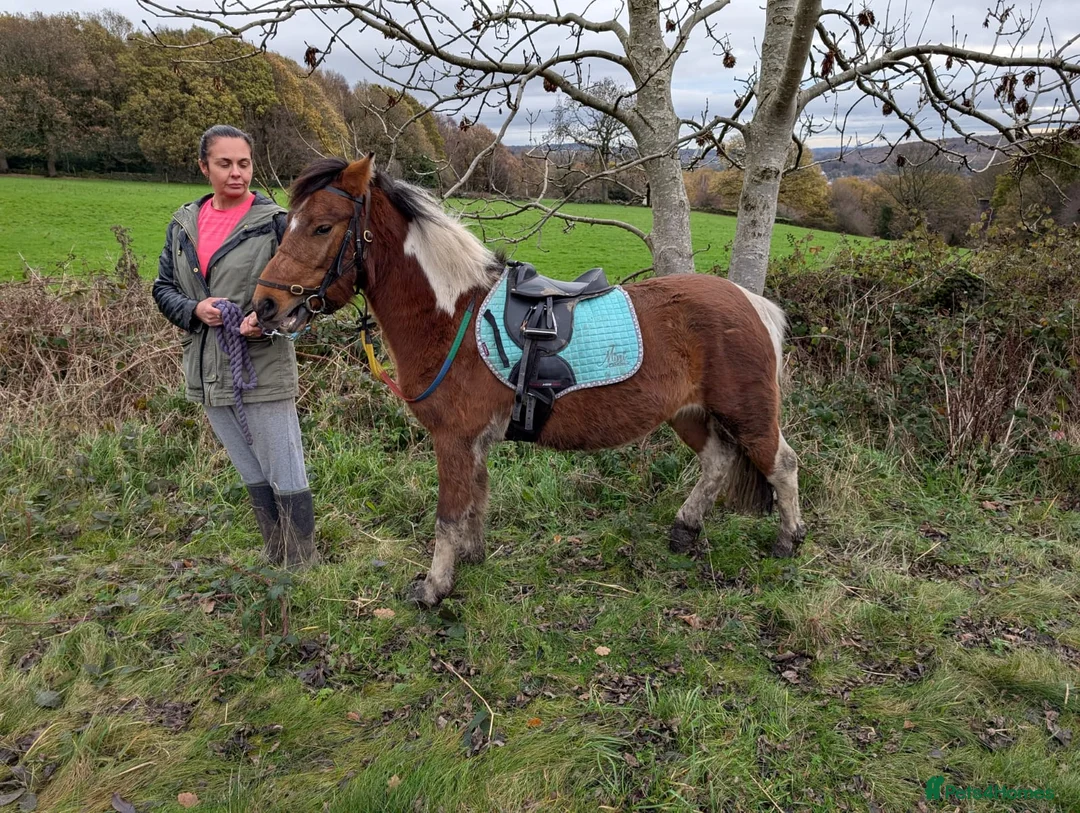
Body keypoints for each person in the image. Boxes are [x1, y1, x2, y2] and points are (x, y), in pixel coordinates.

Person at [152, 124, 318, 568]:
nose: (236, 173)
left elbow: (309, 295)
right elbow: (163, 287)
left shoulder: (276, 224)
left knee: (284, 467)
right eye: (224, 164)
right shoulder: (183, 225)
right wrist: (193, 309)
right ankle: (275, 552)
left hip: (261, 367)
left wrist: (267, 323)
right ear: (204, 166)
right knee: (249, 467)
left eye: (243, 163)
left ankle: (302, 564)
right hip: (206, 367)